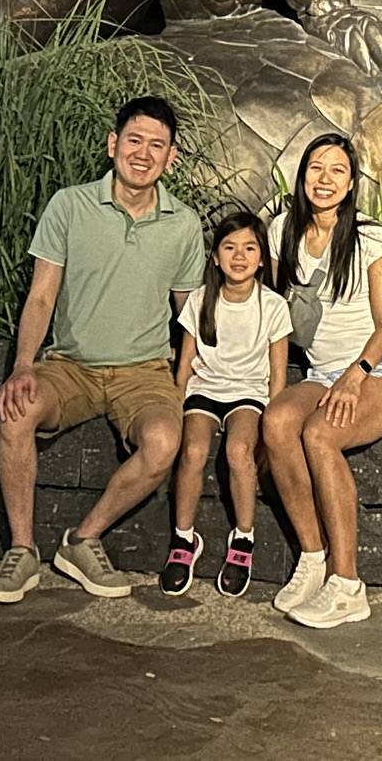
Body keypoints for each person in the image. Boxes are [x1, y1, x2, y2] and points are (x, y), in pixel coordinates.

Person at [0, 96, 205, 604]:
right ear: (112, 144)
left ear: (171, 157)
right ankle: (21, 551)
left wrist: (183, 382)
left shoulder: (184, 224)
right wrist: (22, 366)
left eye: (157, 145)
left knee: (164, 442)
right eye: (134, 140)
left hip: (144, 372)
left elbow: (189, 314)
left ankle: (82, 540)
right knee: (15, 413)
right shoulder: (69, 205)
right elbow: (41, 296)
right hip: (70, 366)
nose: (143, 154)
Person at [261, 133, 382, 628]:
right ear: (302, 175)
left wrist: (356, 377)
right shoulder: (281, 230)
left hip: (381, 366)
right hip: (323, 371)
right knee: (277, 422)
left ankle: (348, 584)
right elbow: (275, 315)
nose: (324, 179)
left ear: (351, 184)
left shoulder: (370, 238)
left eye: (337, 171)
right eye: (316, 168)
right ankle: (313, 557)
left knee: (319, 434)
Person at [160, 210, 293, 598]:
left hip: (248, 394)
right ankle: (183, 537)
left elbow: (277, 375)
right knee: (193, 450)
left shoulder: (273, 306)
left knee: (238, 450)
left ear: (262, 258)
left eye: (250, 248)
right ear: (216, 257)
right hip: (205, 389)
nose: (239, 256)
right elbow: (185, 365)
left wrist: (271, 425)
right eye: (229, 247)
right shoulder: (201, 299)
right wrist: (175, 404)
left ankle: (243, 537)